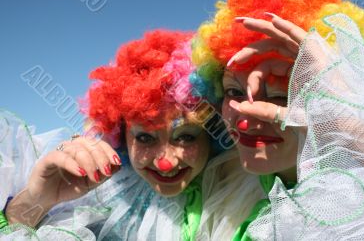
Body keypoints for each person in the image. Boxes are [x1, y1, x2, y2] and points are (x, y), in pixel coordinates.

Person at [192, 0, 364, 239]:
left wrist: (355, 129)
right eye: (233, 92)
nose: (246, 120)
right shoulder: (223, 183)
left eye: (281, 95)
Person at [0, 29, 244, 240]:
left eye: (186, 137)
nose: (165, 161)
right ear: (121, 136)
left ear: (211, 133)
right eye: (145, 138)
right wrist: (36, 200)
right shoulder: (101, 196)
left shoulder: (243, 187)